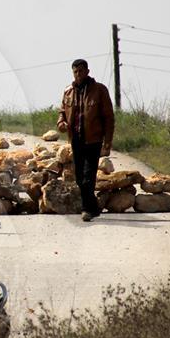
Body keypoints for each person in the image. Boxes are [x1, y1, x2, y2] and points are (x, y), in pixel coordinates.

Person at [57, 58, 115, 221]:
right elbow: (62, 110)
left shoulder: (99, 90)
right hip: (76, 139)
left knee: (88, 176)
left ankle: (86, 209)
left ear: (87, 71)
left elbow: (109, 118)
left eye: (81, 71)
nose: (78, 74)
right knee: (79, 177)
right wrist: (61, 121)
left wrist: (108, 141)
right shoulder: (68, 91)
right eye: (75, 71)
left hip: (94, 139)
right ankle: (94, 206)